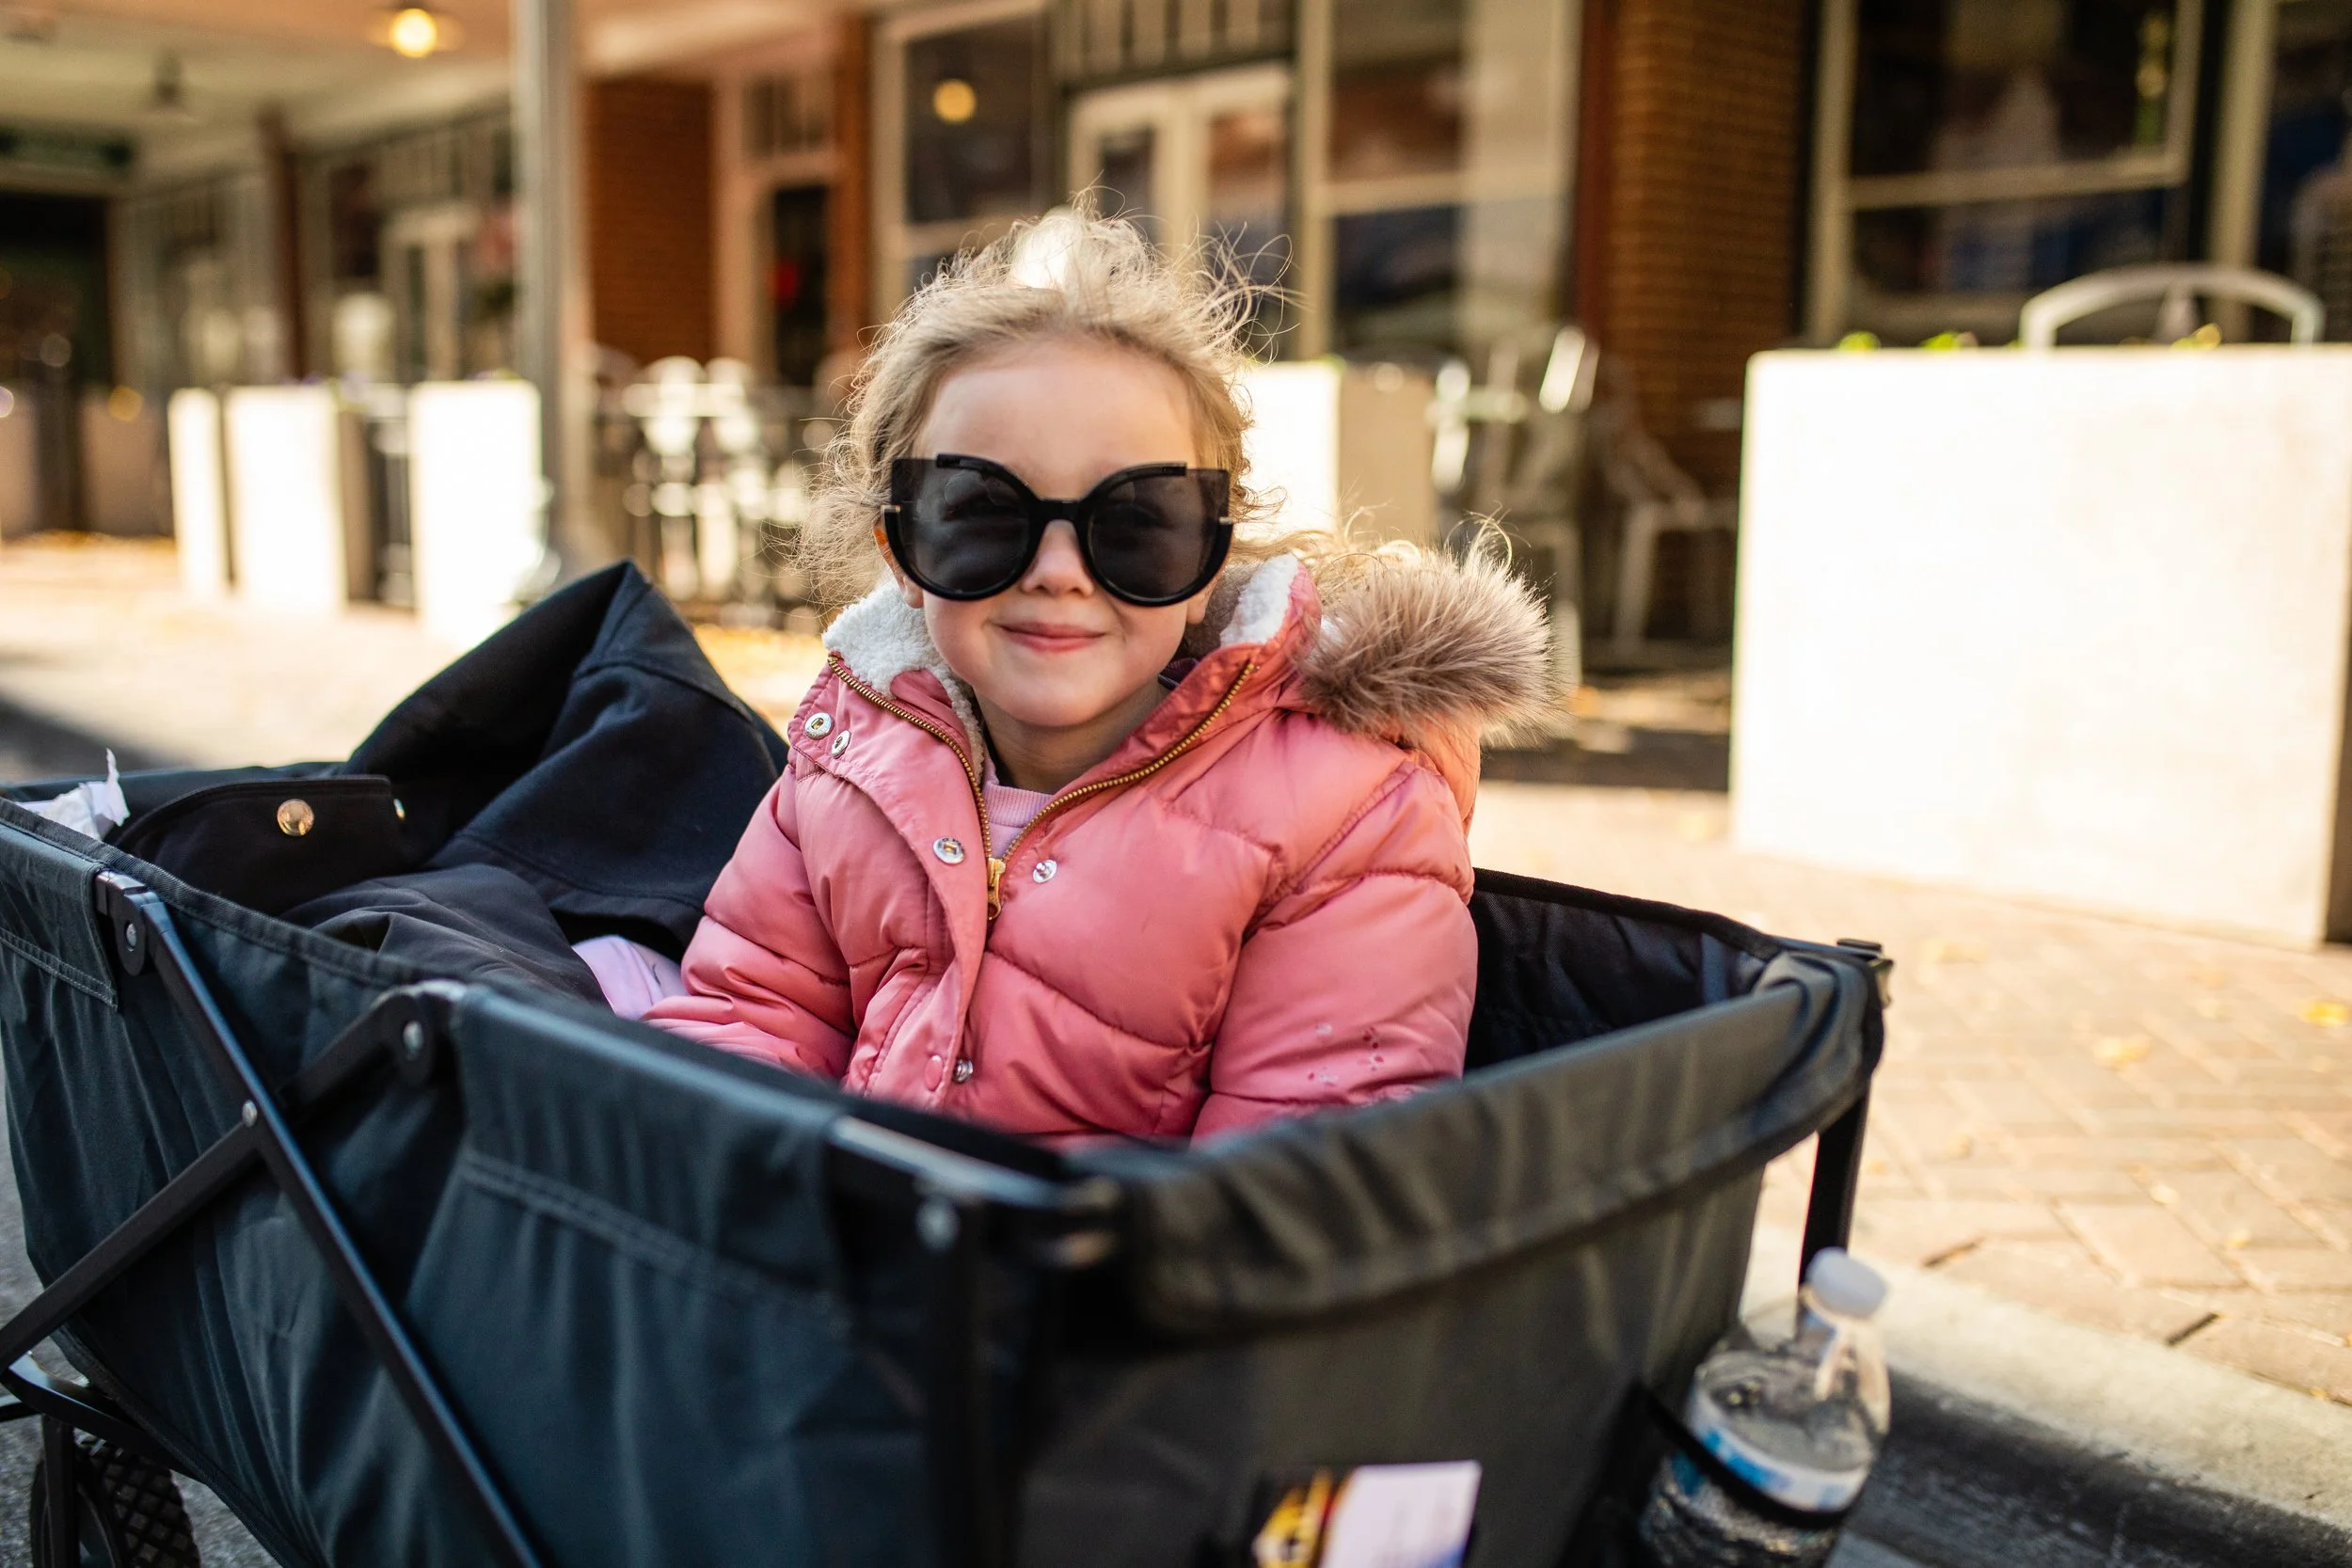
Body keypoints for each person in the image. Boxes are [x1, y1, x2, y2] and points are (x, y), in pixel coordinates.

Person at [644, 210, 1551, 1142]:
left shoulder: (1340, 818)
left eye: (1134, 522)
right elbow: (747, 1021)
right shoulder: (846, 760)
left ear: (1206, 564)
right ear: (902, 555)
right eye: (984, 514)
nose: (1057, 569)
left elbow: (1291, 1186)